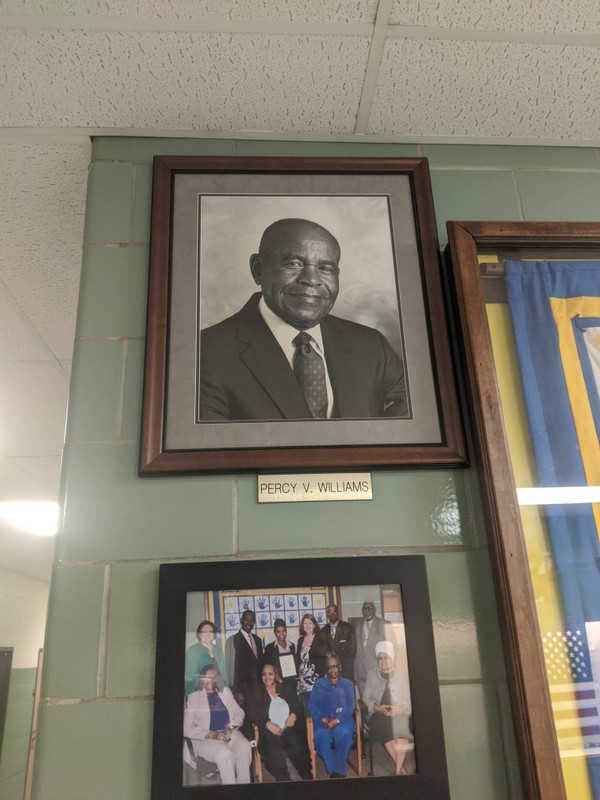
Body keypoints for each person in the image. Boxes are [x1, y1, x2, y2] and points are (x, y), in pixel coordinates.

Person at [199, 218, 408, 420]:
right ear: (258, 269)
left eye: (326, 268)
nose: (311, 280)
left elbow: (406, 427)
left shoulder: (372, 346)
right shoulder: (205, 353)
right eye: (294, 263)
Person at [184, 665, 252, 785]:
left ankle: (244, 784)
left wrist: (231, 727)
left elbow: (239, 712)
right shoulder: (193, 698)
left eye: (213, 677)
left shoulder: (225, 692)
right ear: (201, 680)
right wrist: (212, 734)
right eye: (207, 677)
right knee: (225, 754)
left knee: (245, 746)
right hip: (207, 739)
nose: (210, 680)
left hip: (228, 733)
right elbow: (186, 728)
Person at [250, 663, 312, 781]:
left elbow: (298, 707)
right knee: (274, 752)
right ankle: (284, 781)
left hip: (289, 728)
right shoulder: (258, 692)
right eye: (264, 674)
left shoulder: (285, 688)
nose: (267, 677)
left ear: (276, 675)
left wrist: (293, 715)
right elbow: (253, 714)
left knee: (298, 745)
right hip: (270, 732)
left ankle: (307, 777)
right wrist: (267, 724)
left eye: (270, 674)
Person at [362, 641, 414, 776]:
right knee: (381, 726)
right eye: (380, 658)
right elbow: (365, 698)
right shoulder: (372, 675)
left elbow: (409, 699)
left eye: (386, 658)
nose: (383, 662)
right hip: (379, 713)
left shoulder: (402, 676)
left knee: (403, 728)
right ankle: (401, 770)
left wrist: (401, 709)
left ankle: (397, 770)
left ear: (392, 658)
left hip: (398, 712)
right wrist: (377, 707)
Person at [308, 653, 355, 779]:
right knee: (320, 736)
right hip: (323, 721)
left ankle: (338, 771)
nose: (332, 670)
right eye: (329, 667)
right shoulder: (319, 684)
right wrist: (322, 718)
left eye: (335, 666)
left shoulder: (348, 684)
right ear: (326, 669)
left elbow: (350, 707)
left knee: (344, 734)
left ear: (340, 667)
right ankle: (332, 768)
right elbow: (312, 705)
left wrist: (337, 720)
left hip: (342, 720)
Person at [225, 610, 264, 735]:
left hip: (258, 691)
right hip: (243, 692)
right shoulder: (233, 641)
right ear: (241, 621)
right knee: (246, 728)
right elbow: (230, 670)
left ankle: (260, 753)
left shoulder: (257, 640)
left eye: (252, 620)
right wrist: (236, 692)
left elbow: (260, 665)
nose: (249, 623)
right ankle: (249, 753)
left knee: (261, 725)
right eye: (246, 619)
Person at [354, 600, 397, 694]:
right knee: (365, 704)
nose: (367, 611)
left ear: (374, 610)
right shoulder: (357, 625)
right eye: (364, 609)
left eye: (369, 608)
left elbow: (393, 648)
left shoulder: (384, 624)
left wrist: (389, 668)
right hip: (360, 673)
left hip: (378, 672)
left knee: (379, 704)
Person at [185, 620, 227, 695]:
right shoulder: (193, 651)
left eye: (211, 631)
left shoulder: (218, 650)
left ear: (214, 635)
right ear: (199, 634)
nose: (207, 634)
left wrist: (225, 691)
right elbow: (189, 678)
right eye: (204, 632)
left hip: (218, 693)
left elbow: (223, 673)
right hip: (200, 694)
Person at [297, 613, 327, 709]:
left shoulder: (320, 639)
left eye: (310, 623)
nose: (307, 626)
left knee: (318, 709)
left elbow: (324, 661)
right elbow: (298, 661)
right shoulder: (300, 640)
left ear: (314, 625)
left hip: (317, 680)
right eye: (305, 623)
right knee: (307, 709)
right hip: (303, 682)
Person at [320, 604, 356, 682]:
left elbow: (352, 650)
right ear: (327, 615)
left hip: (346, 671)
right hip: (330, 673)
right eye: (329, 612)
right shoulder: (323, 631)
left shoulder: (348, 627)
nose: (332, 613)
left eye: (334, 611)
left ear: (338, 613)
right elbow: (322, 651)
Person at [264, 618, 299, 692]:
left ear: (286, 631)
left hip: (292, 685)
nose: (281, 634)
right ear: (275, 633)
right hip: (277, 686)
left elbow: (296, 665)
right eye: (278, 632)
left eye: (283, 631)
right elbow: (267, 668)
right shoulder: (269, 648)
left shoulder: (292, 646)